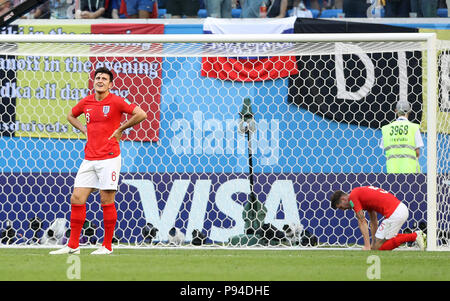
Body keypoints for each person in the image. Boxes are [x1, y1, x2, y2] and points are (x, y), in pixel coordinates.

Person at [49, 67, 147, 255]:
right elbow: (70, 115)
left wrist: (121, 129)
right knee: (76, 198)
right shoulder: (87, 102)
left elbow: (141, 114)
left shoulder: (116, 101)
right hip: (89, 158)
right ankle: (73, 245)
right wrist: (83, 129)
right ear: (94, 81)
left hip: (109, 158)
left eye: (104, 78)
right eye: (98, 78)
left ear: (111, 84)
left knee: (106, 199)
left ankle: (107, 246)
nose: (100, 81)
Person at [330, 186, 426, 251]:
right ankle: (416, 236)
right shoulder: (361, 193)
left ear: (343, 199)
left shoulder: (353, 197)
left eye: (341, 207)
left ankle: (415, 236)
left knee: (378, 247)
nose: (343, 209)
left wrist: (367, 246)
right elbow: (373, 220)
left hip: (395, 213)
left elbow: (362, 221)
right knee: (378, 245)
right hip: (400, 209)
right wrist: (372, 243)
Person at [380, 101, 423, 173]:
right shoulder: (414, 127)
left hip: (392, 170)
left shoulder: (386, 129)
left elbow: (384, 149)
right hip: (410, 170)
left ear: (396, 111)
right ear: (409, 111)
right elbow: (417, 152)